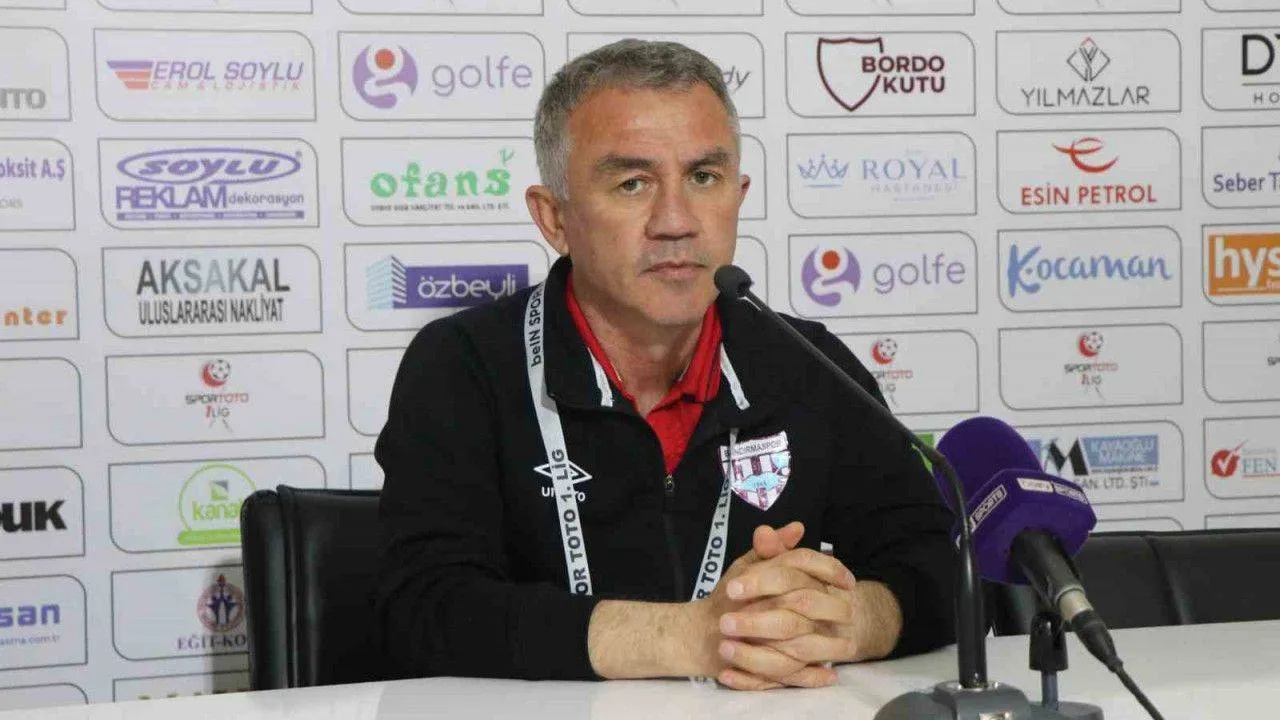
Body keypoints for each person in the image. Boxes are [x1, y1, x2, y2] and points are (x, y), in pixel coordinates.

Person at [374, 39, 955, 691]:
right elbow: (424, 611)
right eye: (633, 183)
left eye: (703, 178)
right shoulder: (465, 364)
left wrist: (849, 620)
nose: (676, 222)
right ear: (555, 218)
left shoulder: (809, 363)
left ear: (738, 194)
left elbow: (938, 568)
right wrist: (693, 636)